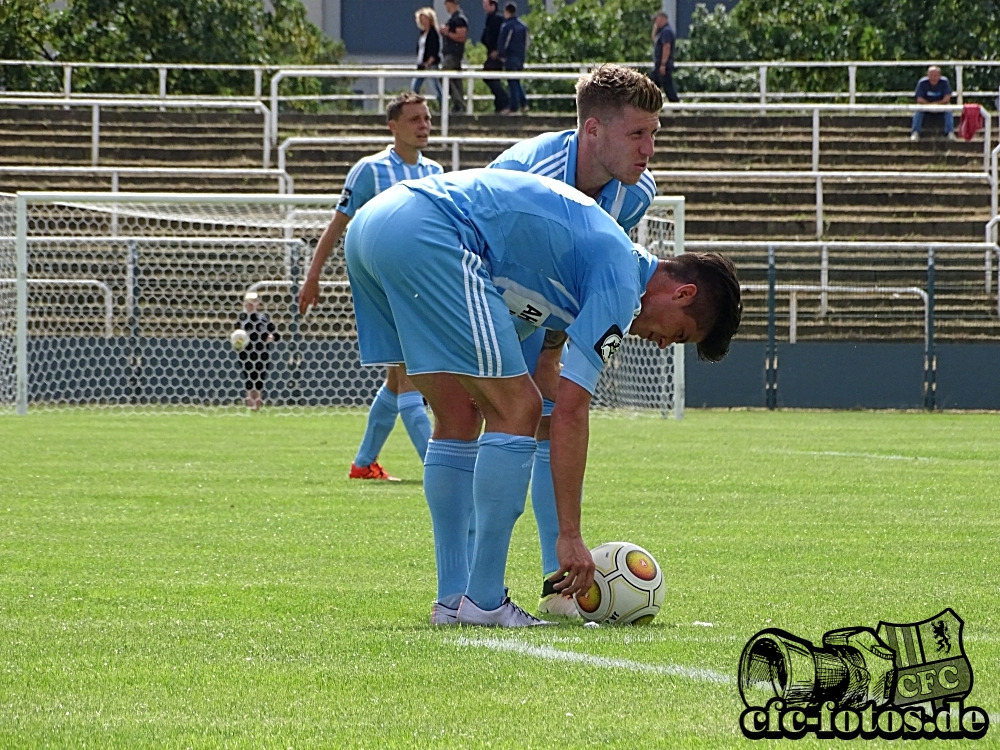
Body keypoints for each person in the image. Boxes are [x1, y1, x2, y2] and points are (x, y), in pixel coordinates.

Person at [345, 168, 742, 627]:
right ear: (682, 293)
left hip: (375, 228)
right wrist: (569, 536)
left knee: (458, 414)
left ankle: (453, 599)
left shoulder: (583, 266)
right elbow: (571, 410)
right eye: (679, 334)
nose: (661, 344)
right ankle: (486, 602)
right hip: (430, 230)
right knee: (520, 408)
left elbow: (528, 349)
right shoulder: (621, 280)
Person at [488, 63, 662, 617]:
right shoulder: (530, 172)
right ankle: (474, 586)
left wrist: (555, 340)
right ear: (592, 131)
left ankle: (556, 578)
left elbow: (588, 268)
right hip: (487, 291)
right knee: (495, 425)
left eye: (654, 134)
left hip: (539, 309)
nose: (649, 149)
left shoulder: (637, 194)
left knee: (540, 423)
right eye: (638, 134)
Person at [298, 92, 441, 480]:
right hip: (385, 282)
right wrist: (313, 276)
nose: (424, 125)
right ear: (393, 127)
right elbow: (337, 225)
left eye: (427, 118)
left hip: (422, 282)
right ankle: (436, 465)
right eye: (415, 119)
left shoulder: (436, 173)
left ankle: (363, 464)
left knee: (397, 379)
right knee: (412, 370)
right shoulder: (369, 171)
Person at [236, 292, 277, 411]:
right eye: (248, 302)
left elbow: (275, 333)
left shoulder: (263, 319)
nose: (250, 304)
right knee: (249, 381)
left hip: (261, 354)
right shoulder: (241, 319)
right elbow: (235, 336)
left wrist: (271, 337)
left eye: (253, 302)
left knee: (259, 381)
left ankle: (257, 407)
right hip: (245, 355)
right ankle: (250, 407)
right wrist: (238, 344)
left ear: (258, 304)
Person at [911, 66, 957, 142]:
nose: (933, 78)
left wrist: (937, 105)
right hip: (926, 106)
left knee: (949, 108)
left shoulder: (944, 82)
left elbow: (947, 98)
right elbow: (919, 99)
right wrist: (930, 106)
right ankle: (915, 132)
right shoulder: (922, 83)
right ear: (927, 75)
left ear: (940, 76)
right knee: (918, 109)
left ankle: (950, 132)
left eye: (935, 76)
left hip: (941, 106)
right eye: (931, 75)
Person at [498, 3, 529, 114]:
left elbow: (503, 43)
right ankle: (523, 104)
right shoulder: (523, 26)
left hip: (510, 57)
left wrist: (501, 55)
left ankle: (513, 107)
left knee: (512, 82)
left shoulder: (507, 26)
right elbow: (526, 43)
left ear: (507, 11)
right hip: (520, 57)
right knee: (516, 81)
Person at [439, 0, 468, 114]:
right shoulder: (453, 18)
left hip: (453, 53)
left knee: (444, 75)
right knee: (455, 79)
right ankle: (459, 106)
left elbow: (461, 36)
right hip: (450, 53)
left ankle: (458, 102)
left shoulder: (459, 19)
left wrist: (446, 33)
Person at [480, 0, 509, 114]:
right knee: (491, 77)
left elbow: (502, 36)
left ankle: (504, 100)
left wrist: (498, 50)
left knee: (489, 76)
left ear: (493, 5)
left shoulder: (498, 18)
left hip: (497, 55)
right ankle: (499, 104)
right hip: (490, 52)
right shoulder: (489, 19)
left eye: (486, 5)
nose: (484, 8)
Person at [412, 7, 442, 106]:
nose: (423, 21)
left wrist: (428, 63)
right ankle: (413, 107)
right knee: (415, 87)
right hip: (421, 64)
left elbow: (434, 50)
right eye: (421, 19)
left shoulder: (434, 33)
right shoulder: (422, 34)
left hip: (430, 64)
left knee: (436, 87)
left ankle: (443, 106)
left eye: (425, 18)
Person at [650, 12, 679, 103]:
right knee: (653, 87)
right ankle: (650, 106)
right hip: (659, 65)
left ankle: (676, 106)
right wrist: (655, 28)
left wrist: (663, 64)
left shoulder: (666, 31)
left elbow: (666, 47)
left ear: (662, 18)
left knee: (667, 88)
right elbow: (654, 39)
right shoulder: (662, 32)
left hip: (663, 65)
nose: (655, 22)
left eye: (656, 19)